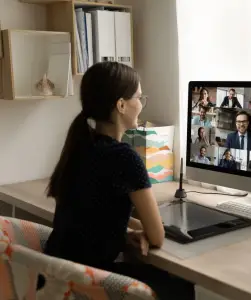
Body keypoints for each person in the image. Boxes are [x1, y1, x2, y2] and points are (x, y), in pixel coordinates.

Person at [40, 62, 194, 299]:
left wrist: (122, 232)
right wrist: (138, 229)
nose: (141, 105)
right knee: (181, 283)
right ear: (121, 105)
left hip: (56, 275)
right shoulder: (124, 157)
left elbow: (90, 214)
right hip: (87, 282)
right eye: (139, 98)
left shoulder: (80, 145)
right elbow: (157, 236)